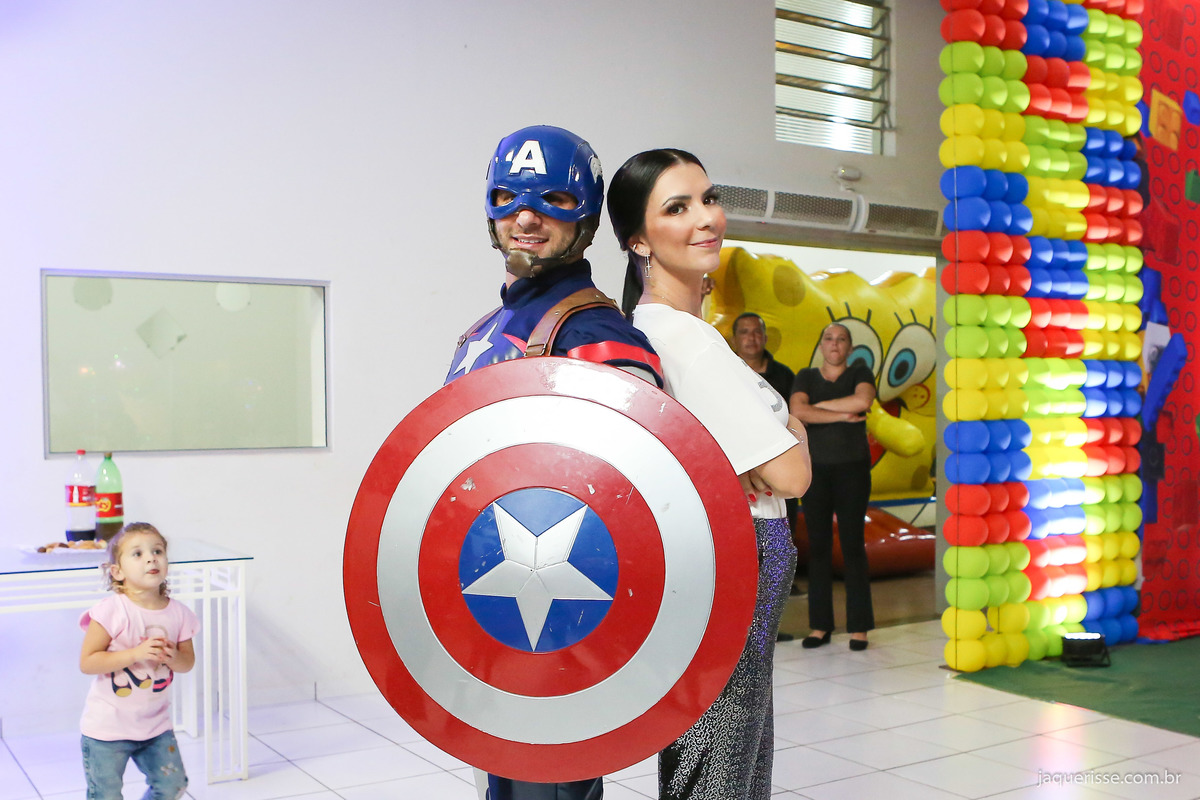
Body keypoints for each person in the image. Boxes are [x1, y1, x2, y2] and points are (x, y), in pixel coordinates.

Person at [446, 125, 664, 800]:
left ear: (587, 217)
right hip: (485, 590)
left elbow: (639, 493)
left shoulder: (596, 333)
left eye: (553, 201)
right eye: (509, 199)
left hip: (557, 600)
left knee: (546, 786)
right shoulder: (485, 330)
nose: (527, 218)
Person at [608, 147, 810, 800]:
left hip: (723, 555)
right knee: (721, 760)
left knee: (723, 750)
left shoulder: (659, 330)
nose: (706, 218)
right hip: (738, 551)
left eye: (709, 198)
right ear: (638, 240)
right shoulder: (686, 341)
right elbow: (792, 475)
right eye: (677, 207)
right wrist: (795, 426)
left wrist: (778, 437)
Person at [79, 522, 199, 800]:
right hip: (106, 728)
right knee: (106, 795)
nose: (151, 558)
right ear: (117, 572)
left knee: (172, 786)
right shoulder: (110, 611)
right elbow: (88, 662)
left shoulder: (180, 614)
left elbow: (187, 663)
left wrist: (173, 656)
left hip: (155, 727)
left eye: (157, 551)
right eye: (138, 553)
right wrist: (135, 654)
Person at [789, 323, 877, 651]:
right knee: (819, 547)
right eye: (828, 338)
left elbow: (862, 400)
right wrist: (842, 413)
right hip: (816, 472)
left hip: (853, 470)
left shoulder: (860, 372)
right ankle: (820, 626)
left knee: (853, 545)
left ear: (849, 348)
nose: (835, 344)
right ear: (821, 346)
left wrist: (818, 410)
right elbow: (797, 410)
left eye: (841, 339)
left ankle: (859, 628)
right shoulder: (806, 377)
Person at [730, 312, 794, 402]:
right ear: (733, 340)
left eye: (757, 332)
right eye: (744, 332)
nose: (751, 338)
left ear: (765, 338)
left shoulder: (784, 376)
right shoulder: (724, 371)